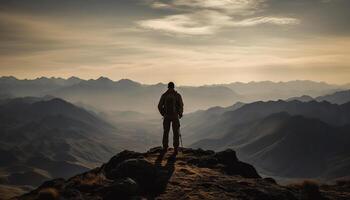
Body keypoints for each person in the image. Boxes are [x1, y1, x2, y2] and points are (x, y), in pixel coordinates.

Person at [158, 82, 184, 153]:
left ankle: (165, 147)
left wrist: (163, 114)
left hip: (166, 116)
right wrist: (180, 113)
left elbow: (159, 106)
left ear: (168, 87)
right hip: (175, 116)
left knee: (166, 132)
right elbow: (181, 105)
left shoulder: (164, 95)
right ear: (174, 87)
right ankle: (176, 148)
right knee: (176, 132)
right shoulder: (177, 95)